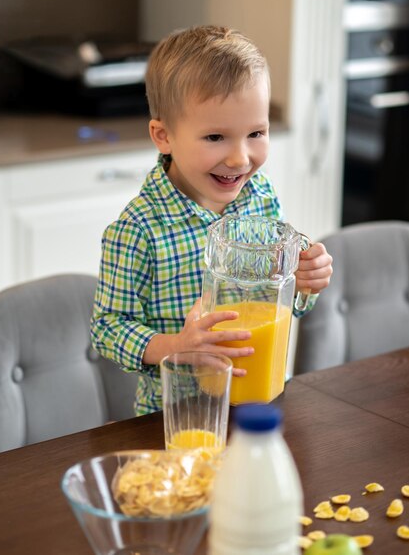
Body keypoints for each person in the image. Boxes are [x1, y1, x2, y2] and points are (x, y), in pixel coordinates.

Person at [91, 25, 333, 416]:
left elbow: (286, 303)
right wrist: (176, 346)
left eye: (256, 132)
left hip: (263, 401)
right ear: (163, 135)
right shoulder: (138, 229)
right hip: (179, 415)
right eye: (216, 137)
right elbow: (107, 330)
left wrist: (304, 282)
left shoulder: (262, 198)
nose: (240, 158)